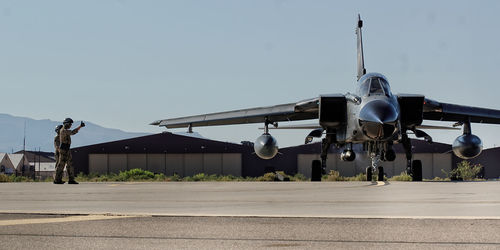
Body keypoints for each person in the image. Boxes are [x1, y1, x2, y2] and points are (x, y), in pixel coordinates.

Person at [54, 118, 85, 184]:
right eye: (70, 124)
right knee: (61, 165)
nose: (70, 125)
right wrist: (80, 127)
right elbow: (73, 132)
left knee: (70, 165)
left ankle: (71, 179)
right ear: (66, 124)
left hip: (67, 149)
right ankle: (57, 180)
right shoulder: (63, 130)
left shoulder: (65, 130)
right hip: (63, 150)